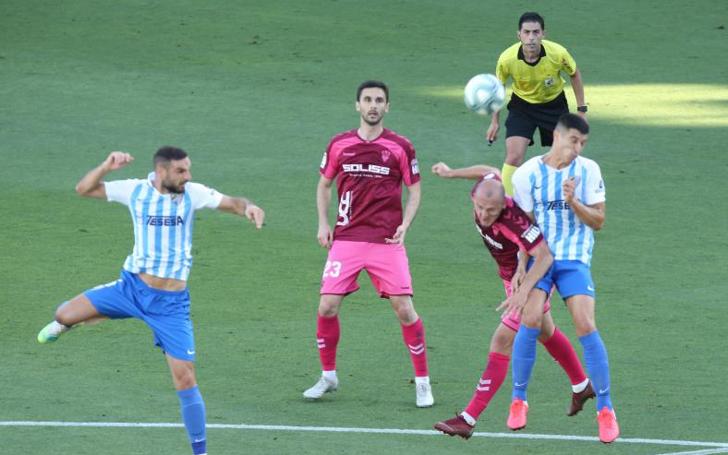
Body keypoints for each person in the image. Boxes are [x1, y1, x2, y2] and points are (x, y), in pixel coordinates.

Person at [36, 147, 265, 455]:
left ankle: (201, 452)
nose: (188, 176)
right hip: (130, 288)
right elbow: (84, 189)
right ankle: (79, 322)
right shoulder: (135, 190)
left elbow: (233, 203)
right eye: (181, 171)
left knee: (185, 378)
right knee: (62, 315)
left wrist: (249, 208)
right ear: (162, 172)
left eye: (188, 170)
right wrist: (106, 166)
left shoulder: (192, 194)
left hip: (170, 305)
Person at [430, 165, 594, 439]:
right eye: (480, 208)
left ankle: (467, 418)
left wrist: (524, 288)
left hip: (536, 279)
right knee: (545, 331)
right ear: (475, 197)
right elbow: (489, 170)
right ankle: (582, 386)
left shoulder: (513, 220)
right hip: (513, 278)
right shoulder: (487, 186)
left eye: (491, 211)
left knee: (501, 341)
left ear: (501, 207)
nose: (483, 215)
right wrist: (451, 173)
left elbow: (544, 256)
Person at [303, 80, 433, 407]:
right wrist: (322, 222)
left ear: (387, 107)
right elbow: (324, 185)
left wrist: (405, 224)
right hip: (346, 239)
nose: (373, 105)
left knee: (404, 309)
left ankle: (422, 382)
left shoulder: (400, 146)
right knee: (327, 306)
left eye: (379, 100)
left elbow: (415, 190)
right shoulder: (339, 144)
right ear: (357, 105)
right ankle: (328, 375)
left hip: (386, 241)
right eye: (367, 100)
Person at [507, 113, 619, 443]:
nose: (577, 148)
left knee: (585, 323)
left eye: (582, 143)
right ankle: (518, 400)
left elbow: (598, 220)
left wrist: (574, 202)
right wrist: (519, 268)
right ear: (556, 136)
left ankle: (606, 408)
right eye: (573, 140)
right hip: (541, 258)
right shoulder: (527, 173)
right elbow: (524, 227)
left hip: (573, 257)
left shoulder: (589, 171)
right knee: (530, 317)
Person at [487, 11, 587, 196]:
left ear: (543, 34)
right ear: (519, 35)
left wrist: (581, 110)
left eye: (535, 32)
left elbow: (574, 74)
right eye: (526, 32)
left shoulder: (557, 53)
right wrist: (495, 121)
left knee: (566, 155)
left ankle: (565, 197)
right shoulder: (507, 59)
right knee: (514, 156)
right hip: (522, 107)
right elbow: (498, 89)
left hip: (554, 105)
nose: (531, 38)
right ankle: (509, 204)